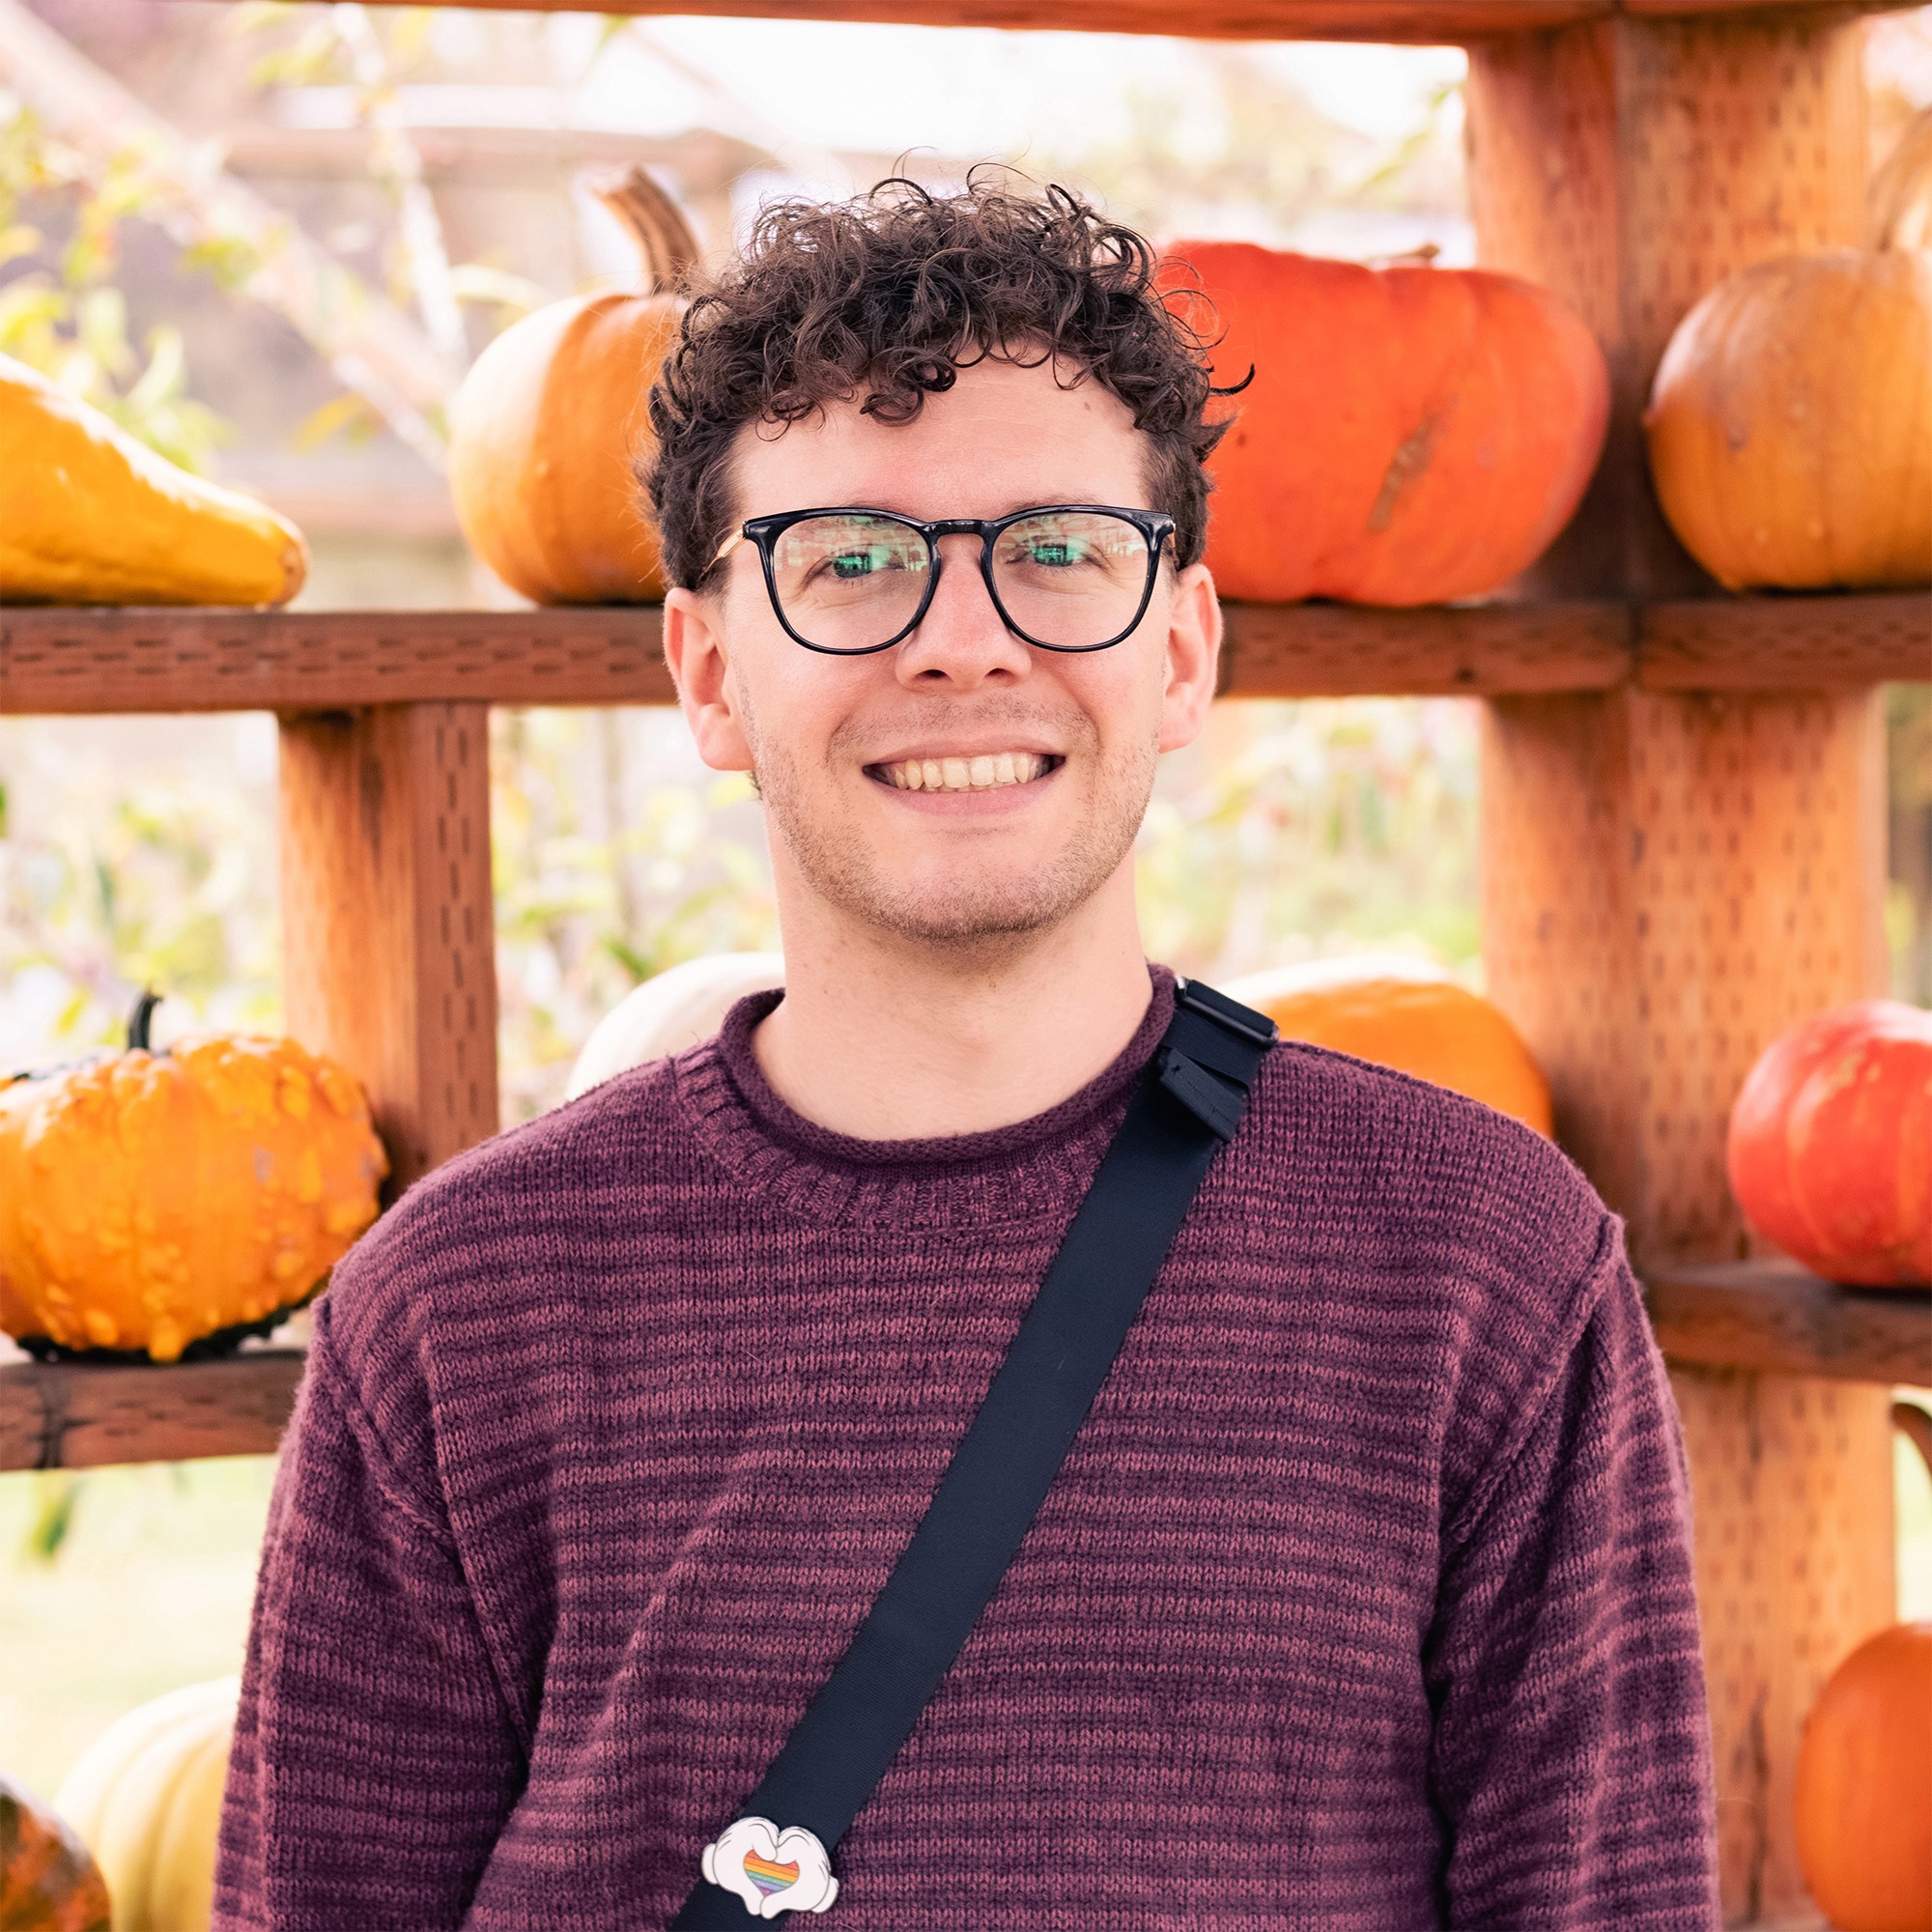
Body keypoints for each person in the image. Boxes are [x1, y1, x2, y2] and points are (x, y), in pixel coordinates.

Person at [214, 178, 1721, 1930]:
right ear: (708, 675)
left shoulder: (1482, 1265)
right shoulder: (461, 1310)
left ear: (1180, 654)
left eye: (1058, 551)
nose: (961, 637)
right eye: (848, 560)